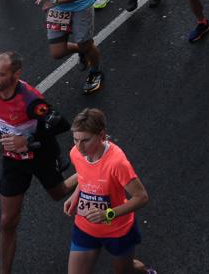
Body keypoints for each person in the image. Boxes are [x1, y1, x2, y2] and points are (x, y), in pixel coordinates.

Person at [0, 50, 73, 274]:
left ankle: (85, 174)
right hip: (13, 160)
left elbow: (62, 124)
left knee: (58, 194)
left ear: (16, 74)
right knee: (7, 221)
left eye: (0, 75)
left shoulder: (31, 101)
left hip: (41, 155)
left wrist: (28, 139)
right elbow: (7, 113)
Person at [61, 108, 154, 274]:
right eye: (75, 140)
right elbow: (86, 176)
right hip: (85, 227)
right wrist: (76, 195)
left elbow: (141, 197)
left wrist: (108, 214)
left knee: (126, 271)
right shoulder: (75, 153)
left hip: (118, 231)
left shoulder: (117, 163)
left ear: (101, 135)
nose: (79, 146)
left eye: (85, 140)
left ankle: (145, 272)